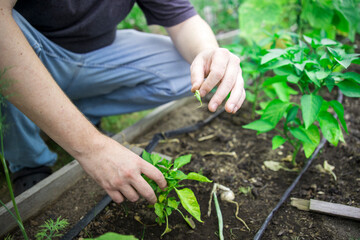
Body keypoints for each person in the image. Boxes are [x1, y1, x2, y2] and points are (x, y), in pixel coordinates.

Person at [0, 0, 245, 204]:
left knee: (190, 70)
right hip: (30, 47)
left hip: (100, 52)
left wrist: (208, 52)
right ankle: (28, 162)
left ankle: (74, 114)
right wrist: (92, 147)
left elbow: (181, 20)